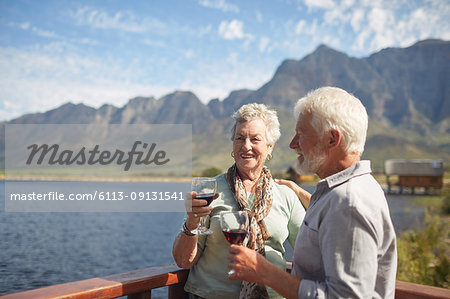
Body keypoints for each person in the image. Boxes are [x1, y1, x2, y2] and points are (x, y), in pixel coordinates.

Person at [228, 87, 397, 298]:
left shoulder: (349, 202)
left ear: (331, 140)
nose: (292, 144)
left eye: (301, 135)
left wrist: (265, 272)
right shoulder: (341, 194)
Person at [172, 103, 306, 299]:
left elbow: (309, 252)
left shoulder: (285, 195)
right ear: (233, 145)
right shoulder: (208, 190)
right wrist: (191, 223)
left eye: (255, 139)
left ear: (270, 147)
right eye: (240, 138)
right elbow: (183, 261)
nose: (246, 146)